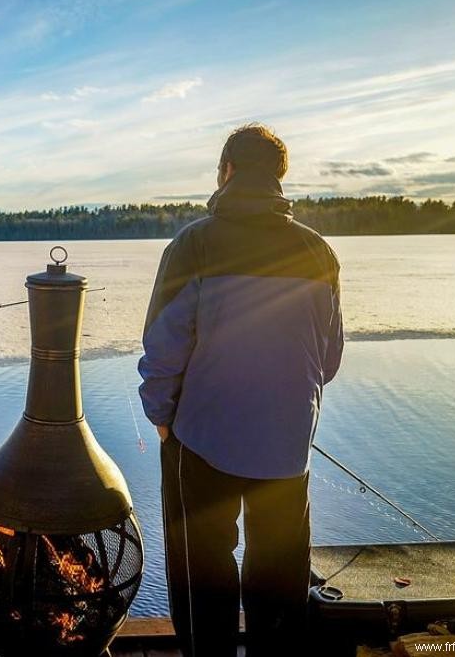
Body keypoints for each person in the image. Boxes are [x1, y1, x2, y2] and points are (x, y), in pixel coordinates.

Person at [138, 124, 344, 656]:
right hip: (286, 444)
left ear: (227, 170)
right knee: (279, 572)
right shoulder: (318, 252)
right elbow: (329, 357)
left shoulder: (194, 245)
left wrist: (162, 417)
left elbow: (164, 347)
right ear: (278, 176)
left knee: (201, 571)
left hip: (201, 442)